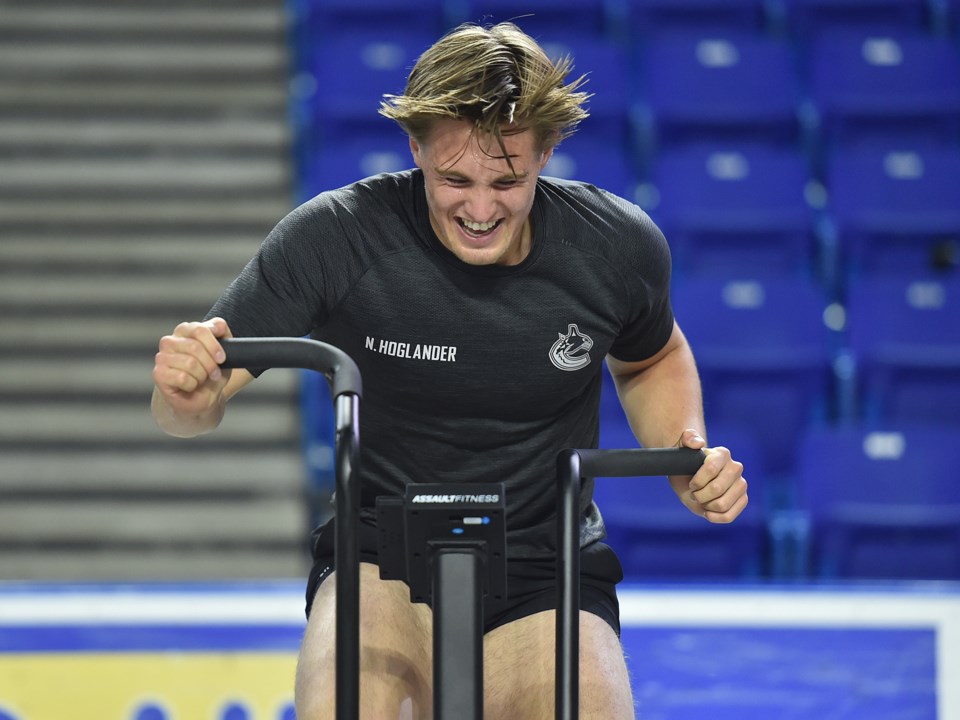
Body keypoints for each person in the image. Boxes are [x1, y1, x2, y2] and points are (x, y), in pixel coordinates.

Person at [151, 22, 748, 720]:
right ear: (416, 147)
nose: (481, 208)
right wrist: (185, 391)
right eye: (454, 178)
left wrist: (681, 449)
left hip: (544, 559)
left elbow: (652, 356)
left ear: (547, 153)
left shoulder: (614, 245)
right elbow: (191, 408)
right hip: (380, 558)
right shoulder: (335, 236)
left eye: (509, 179)